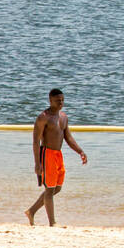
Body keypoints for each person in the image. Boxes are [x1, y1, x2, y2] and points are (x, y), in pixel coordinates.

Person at [25, 88, 87, 226]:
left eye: (62, 100)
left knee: (57, 188)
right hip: (46, 153)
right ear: (50, 100)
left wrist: (80, 151)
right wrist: (37, 163)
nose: (61, 103)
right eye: (58, 100)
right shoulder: (43, 117)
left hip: (58, 155)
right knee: (50, 189)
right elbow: (36, 141)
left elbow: (68, 137)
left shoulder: (63, 117)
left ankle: (31, 211)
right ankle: (52, 222)